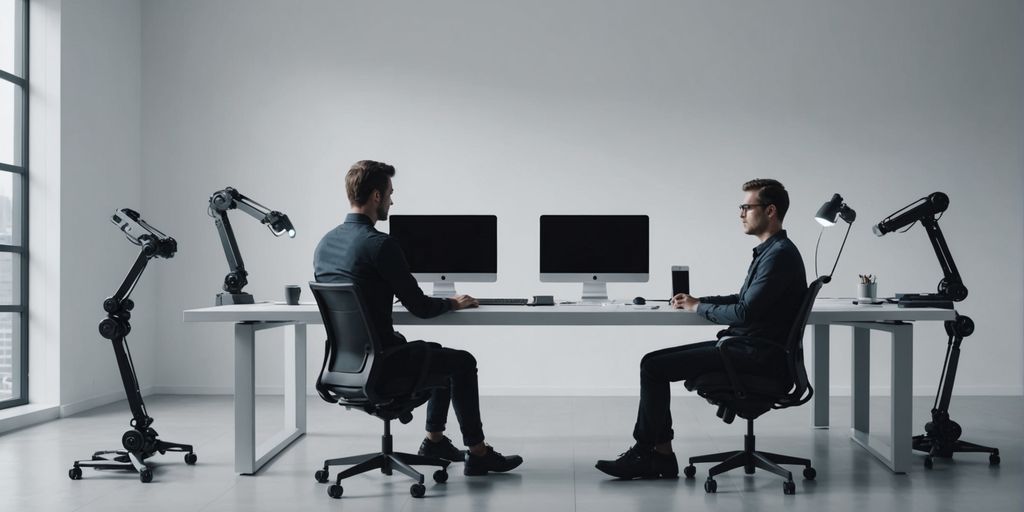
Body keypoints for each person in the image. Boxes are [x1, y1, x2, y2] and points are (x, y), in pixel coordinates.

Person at [313, 160, 523, 476]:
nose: (392, 201)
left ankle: (434, 442)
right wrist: (453, 303)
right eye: (390, 194)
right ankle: (478, 453)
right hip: (383, 367)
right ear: (376, 196)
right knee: (462, 362)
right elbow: (421, 307)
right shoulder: (380, 245)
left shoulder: (325, 245)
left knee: (434, 353)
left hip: (343, 366)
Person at [595, 178, 807, 479]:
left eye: (747, 207)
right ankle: (659, 456)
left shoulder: (779, 255)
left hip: (754, 355)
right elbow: (744, 300)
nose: (741, 213)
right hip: (749, 348)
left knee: (652, 366)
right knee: (653, 364)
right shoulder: (771, 251)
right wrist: (699, 301)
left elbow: (744, 312)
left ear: (770, 210)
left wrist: (698, 308)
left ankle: (650, 455)